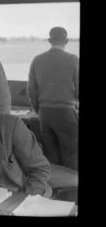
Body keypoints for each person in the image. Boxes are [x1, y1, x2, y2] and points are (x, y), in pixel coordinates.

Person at [27, 27, 79, 170]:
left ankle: (53, 189)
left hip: (45, 113)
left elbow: (31, 89)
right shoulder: (73, 60)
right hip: (66, 112)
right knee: (72, 153)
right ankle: (70, 189)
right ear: (66, 41)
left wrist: (39, 110)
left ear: (50, 40)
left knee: (50, 154)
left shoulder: (37, 60)